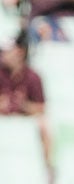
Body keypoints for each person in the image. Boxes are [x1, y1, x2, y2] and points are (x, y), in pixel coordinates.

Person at [0, 29, 51, 165]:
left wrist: (24, 105)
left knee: (44, 124)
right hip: (3, 117)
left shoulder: (33, 77)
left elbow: (41, 108)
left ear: (19, 52)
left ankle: (46, 167)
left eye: (6, 51)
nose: (3, 55)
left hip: (24, 117)